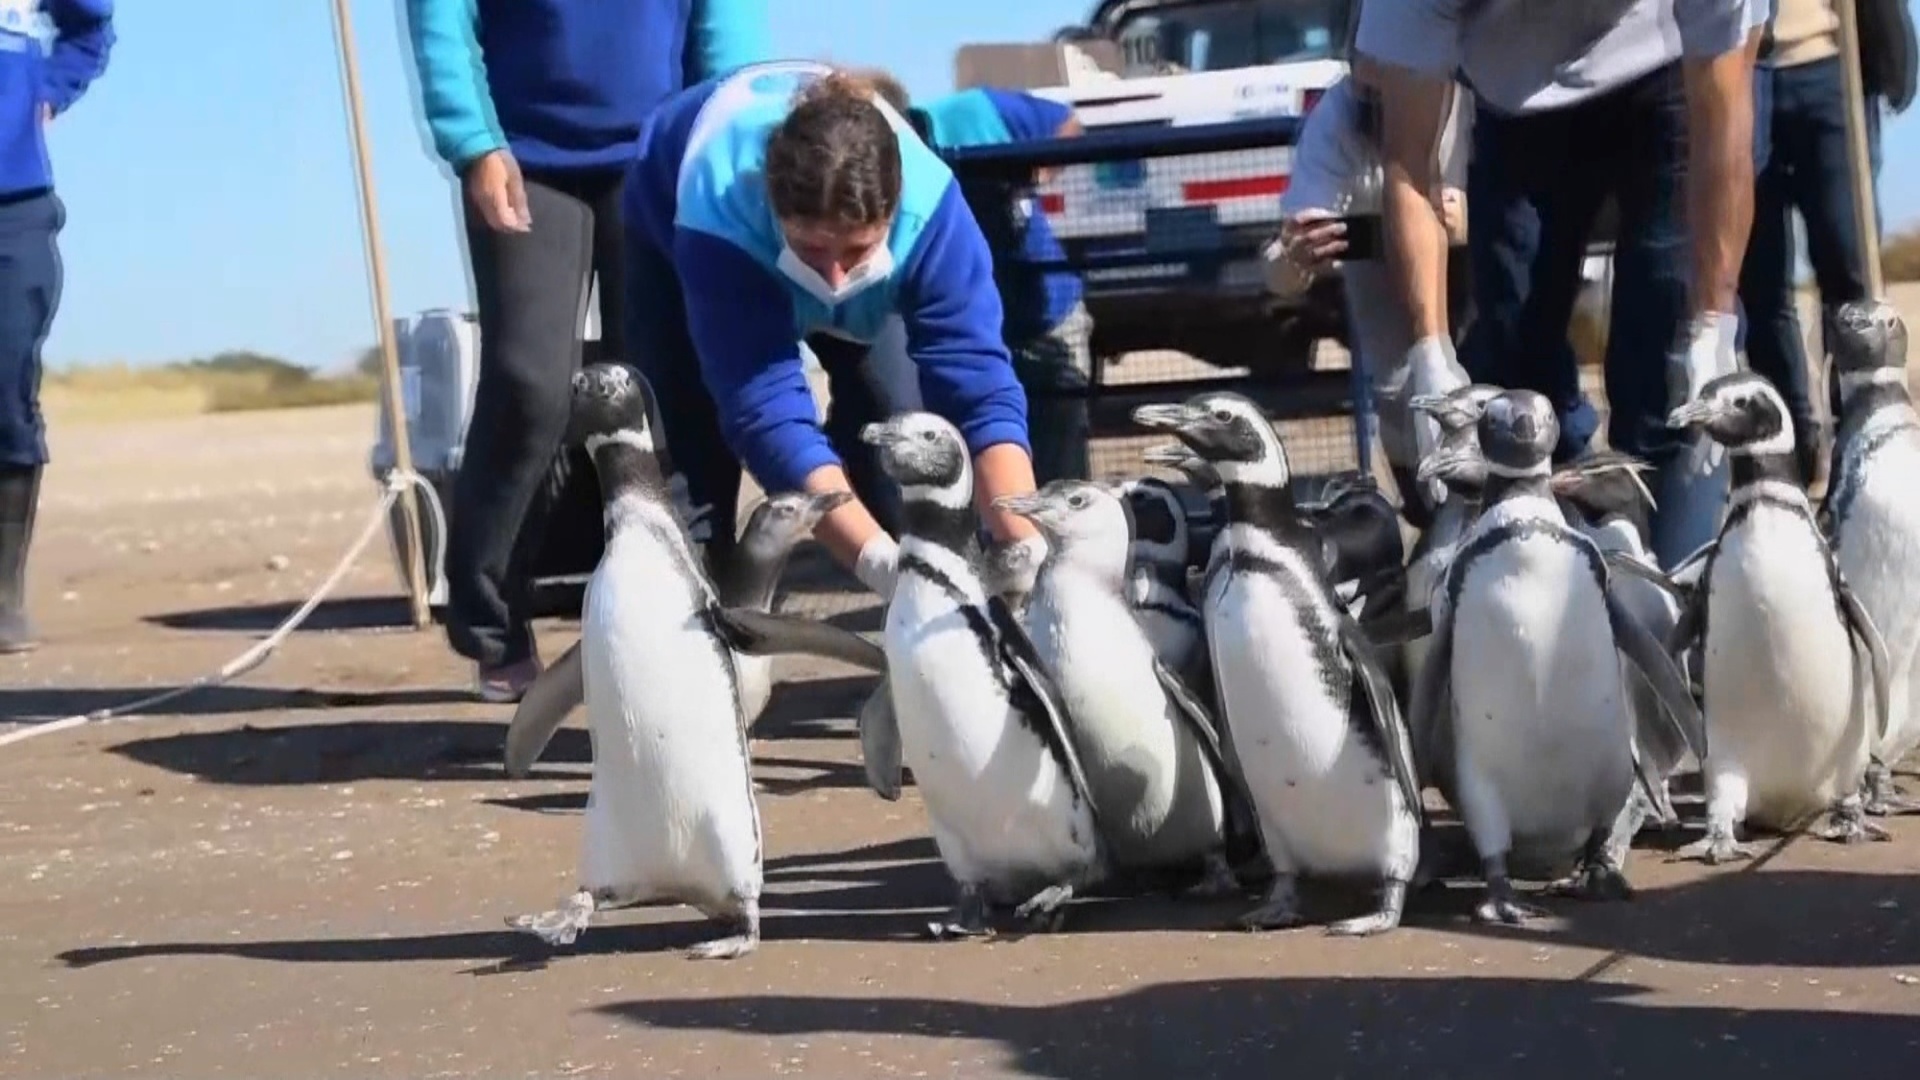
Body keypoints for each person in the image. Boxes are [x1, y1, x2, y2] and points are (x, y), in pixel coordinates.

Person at [402, 0, 770, 702]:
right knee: (529, 384)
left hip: (659, 154)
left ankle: (679, 606)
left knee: (665, 383)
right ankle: (491, 622)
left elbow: (726, 27)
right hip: (519, 157)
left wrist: (725, 134)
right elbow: (442, 22)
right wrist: (473, 142)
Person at [1358, 0, 1772, 569]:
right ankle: (1567, 553)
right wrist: (1431, 351)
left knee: (1667, 343)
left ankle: (1679, 584)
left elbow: (1725, 123)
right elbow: (1407, 165)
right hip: (1514, 102)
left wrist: (1714, 323)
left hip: (1671, 68)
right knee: (1512, 350)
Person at [620, 60, 1046, 600]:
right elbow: (767, 416)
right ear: (775, 211)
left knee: (900, 423)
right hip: (683, 220)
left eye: (856, 251)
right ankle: (700, 617)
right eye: (814, 249)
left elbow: (980, 392)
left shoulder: (935, 215)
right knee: (692, 458)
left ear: (894, 214)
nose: (835, 276)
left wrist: (1024, 545)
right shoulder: (722, 213)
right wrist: (878, 565)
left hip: (845, 248)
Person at [1264, 56, 1473, 521]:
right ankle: (1426, 515)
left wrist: (1473, 220)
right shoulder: (1339, 113)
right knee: (1397, 388)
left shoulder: (1471, 95)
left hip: (1479, 259)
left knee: (1489, 367)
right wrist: (1293, 259)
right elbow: (1279, 269)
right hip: (1375, 255)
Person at [1739, 0, 1913, 487]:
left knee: (1849, 267)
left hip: (1832, 59)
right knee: (1761, 281)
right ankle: (1792, 448)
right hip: (1744, 65)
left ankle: (1862, 435)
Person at [906, 83, 1096, 485]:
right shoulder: (905, 183)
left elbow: (1067, 121)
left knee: (1062, 456)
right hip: (974, 330)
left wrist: (1035, 169)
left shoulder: (980, 110)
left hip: (1048, 312)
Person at [0, 1, 114, 656]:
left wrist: (48, 92)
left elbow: (91, 24)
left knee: (8, 392)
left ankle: (3, 598)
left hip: (15, 207)